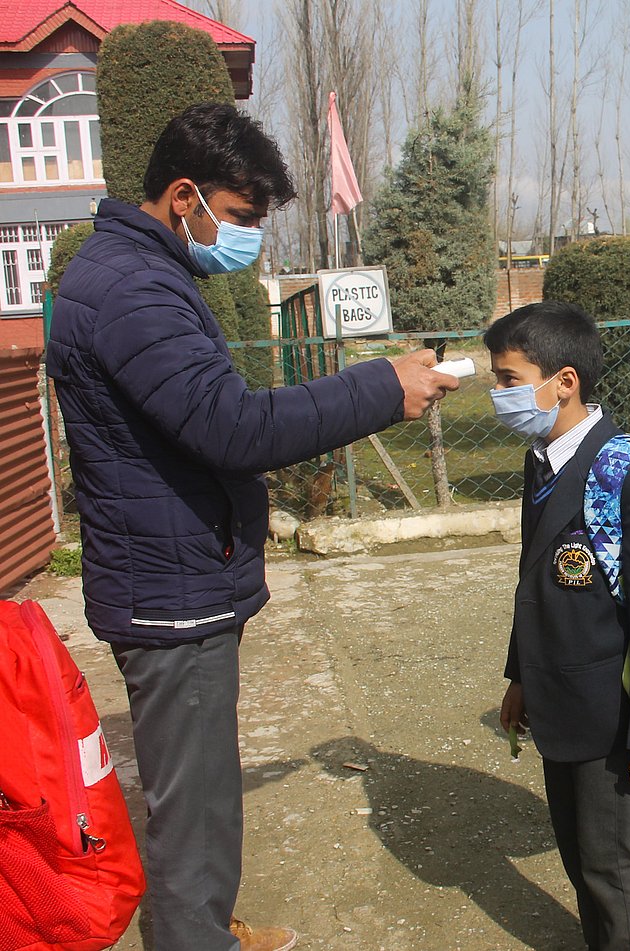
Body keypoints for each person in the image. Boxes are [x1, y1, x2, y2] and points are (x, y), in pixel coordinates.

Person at [45, 103, 459, 951]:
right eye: (236, 219)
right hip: (170, 590)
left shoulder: (144, 272)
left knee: (204, 785)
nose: (244, 241)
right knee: (190, 799)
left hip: (180, 572)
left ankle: (206, 922)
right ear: (184, 193)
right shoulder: (131, 288)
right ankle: (196, 940)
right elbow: (231, 425)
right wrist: (379, 387)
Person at [488, 301, 630, 951]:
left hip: (611, 708)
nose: (499, 394)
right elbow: (533, 582)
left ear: (564, 382)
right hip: (556, 696)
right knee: (577, 851)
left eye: (510, 379)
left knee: (612, 864)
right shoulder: (541, 460)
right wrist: (520, 674)